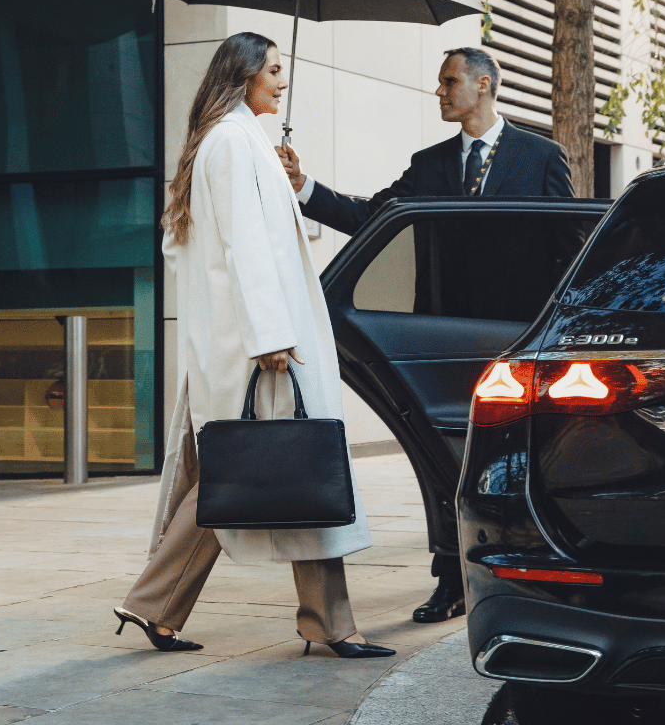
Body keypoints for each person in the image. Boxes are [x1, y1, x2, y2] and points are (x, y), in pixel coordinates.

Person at [115, 32, 394, 660]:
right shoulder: (234, 143)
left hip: (245, 341)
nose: (282, 81)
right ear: (242, 76)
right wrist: (269, 336)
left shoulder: (235, 142)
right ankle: (331, 625)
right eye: (272, 71)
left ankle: (155, 605)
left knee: (236, 476)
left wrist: (290, 182)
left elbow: (236, 243)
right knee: (299, 469)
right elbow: (245, 244)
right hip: (262, 344)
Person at [278, 46, 574, 624]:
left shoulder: (541, 156)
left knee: (521, 459)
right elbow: (371, 217)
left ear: (483, 85)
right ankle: (452, 580)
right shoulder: (430, 163)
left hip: (517, 339)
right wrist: (304, 185)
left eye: (448, 81)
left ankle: (528, 569)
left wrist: (560, 330)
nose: (439, 91)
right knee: (443, 458)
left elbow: (567, 245)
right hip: (440, 340)